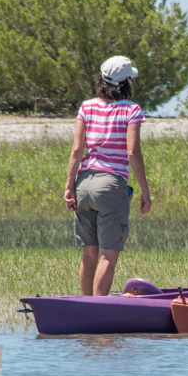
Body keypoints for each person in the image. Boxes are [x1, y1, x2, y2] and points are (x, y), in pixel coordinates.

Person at [63, 56, 152, 296]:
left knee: (89, 254)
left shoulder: (87, 107)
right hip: (110, 187)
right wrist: (145, 191)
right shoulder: (131, 110)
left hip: (83, 184)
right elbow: (132, 152)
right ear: (126, 82)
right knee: (107, 257)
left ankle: (85, 306)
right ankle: (98, 311)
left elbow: (76, 150)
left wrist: (69, 186)